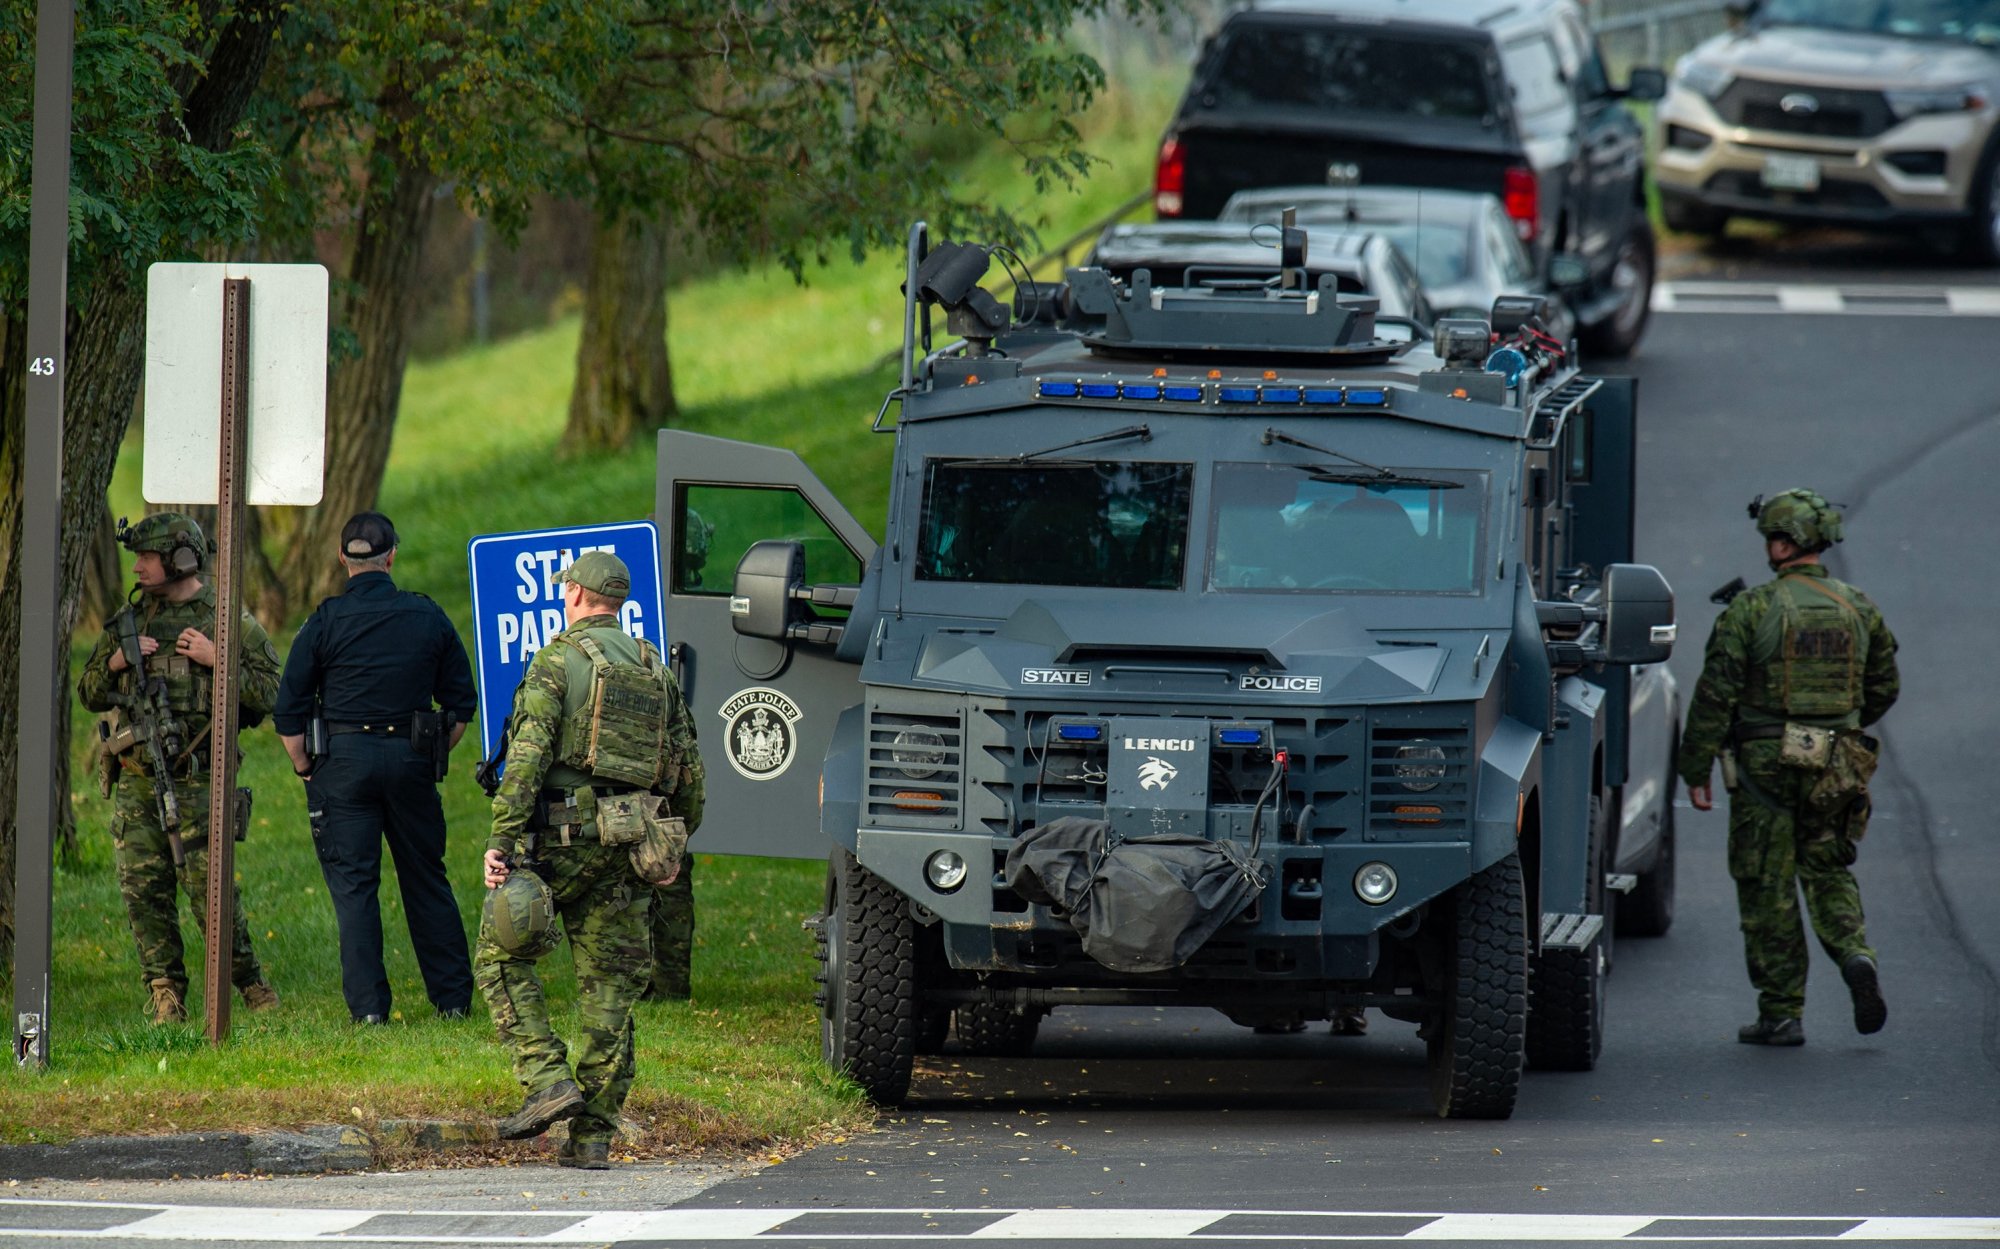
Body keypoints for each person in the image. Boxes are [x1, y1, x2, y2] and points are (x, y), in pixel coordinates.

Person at [476, 550, 705, 1167]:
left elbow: (526, 759)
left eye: (565, 590)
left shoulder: (557, 661)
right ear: (619, 602)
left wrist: (501, 842)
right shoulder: (657, 670)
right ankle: (593, 1138)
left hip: (560, 844)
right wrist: (675, 843)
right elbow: (689, 772)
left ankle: (547, 1078)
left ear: (576, 595)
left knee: (498, 955)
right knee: (611, 998)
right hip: (632, 850)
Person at [1679, 489, 1899, 1047]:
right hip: (1838, 761)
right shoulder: (1860, 607)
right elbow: (1883, 688)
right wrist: (1839, 728)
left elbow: (1714, 695)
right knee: (1826, 868)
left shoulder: (1751, 609)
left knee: (1766, 884)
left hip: (1765, 764)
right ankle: (1855, 954)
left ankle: (1781, 1012)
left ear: (1783, 542)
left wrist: (1695, 766)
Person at [273, 511, 478, 1025]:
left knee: (355, 889)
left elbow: (289, 712)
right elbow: (461, 703)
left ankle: (369, 1013)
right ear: (391, 557)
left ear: (343, 558)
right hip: (410, 759)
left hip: (342, 765)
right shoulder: (427, 615)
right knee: (427, 880)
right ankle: (453, 1002)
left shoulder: (323, 621)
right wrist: (432, 751)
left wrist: (305, 768)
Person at [78, 512, 282, 1024]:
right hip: (140, 780)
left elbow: (276, 693)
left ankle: (248, 981)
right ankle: (165, 989)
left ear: (179, 559)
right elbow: (88, 690)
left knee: (210, 891)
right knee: (143, 891)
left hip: (200, 781)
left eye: (146, 558)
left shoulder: (226, 618)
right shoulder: (131, 621)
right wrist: (118, 665)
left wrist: (219, 660)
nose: (138, 569)